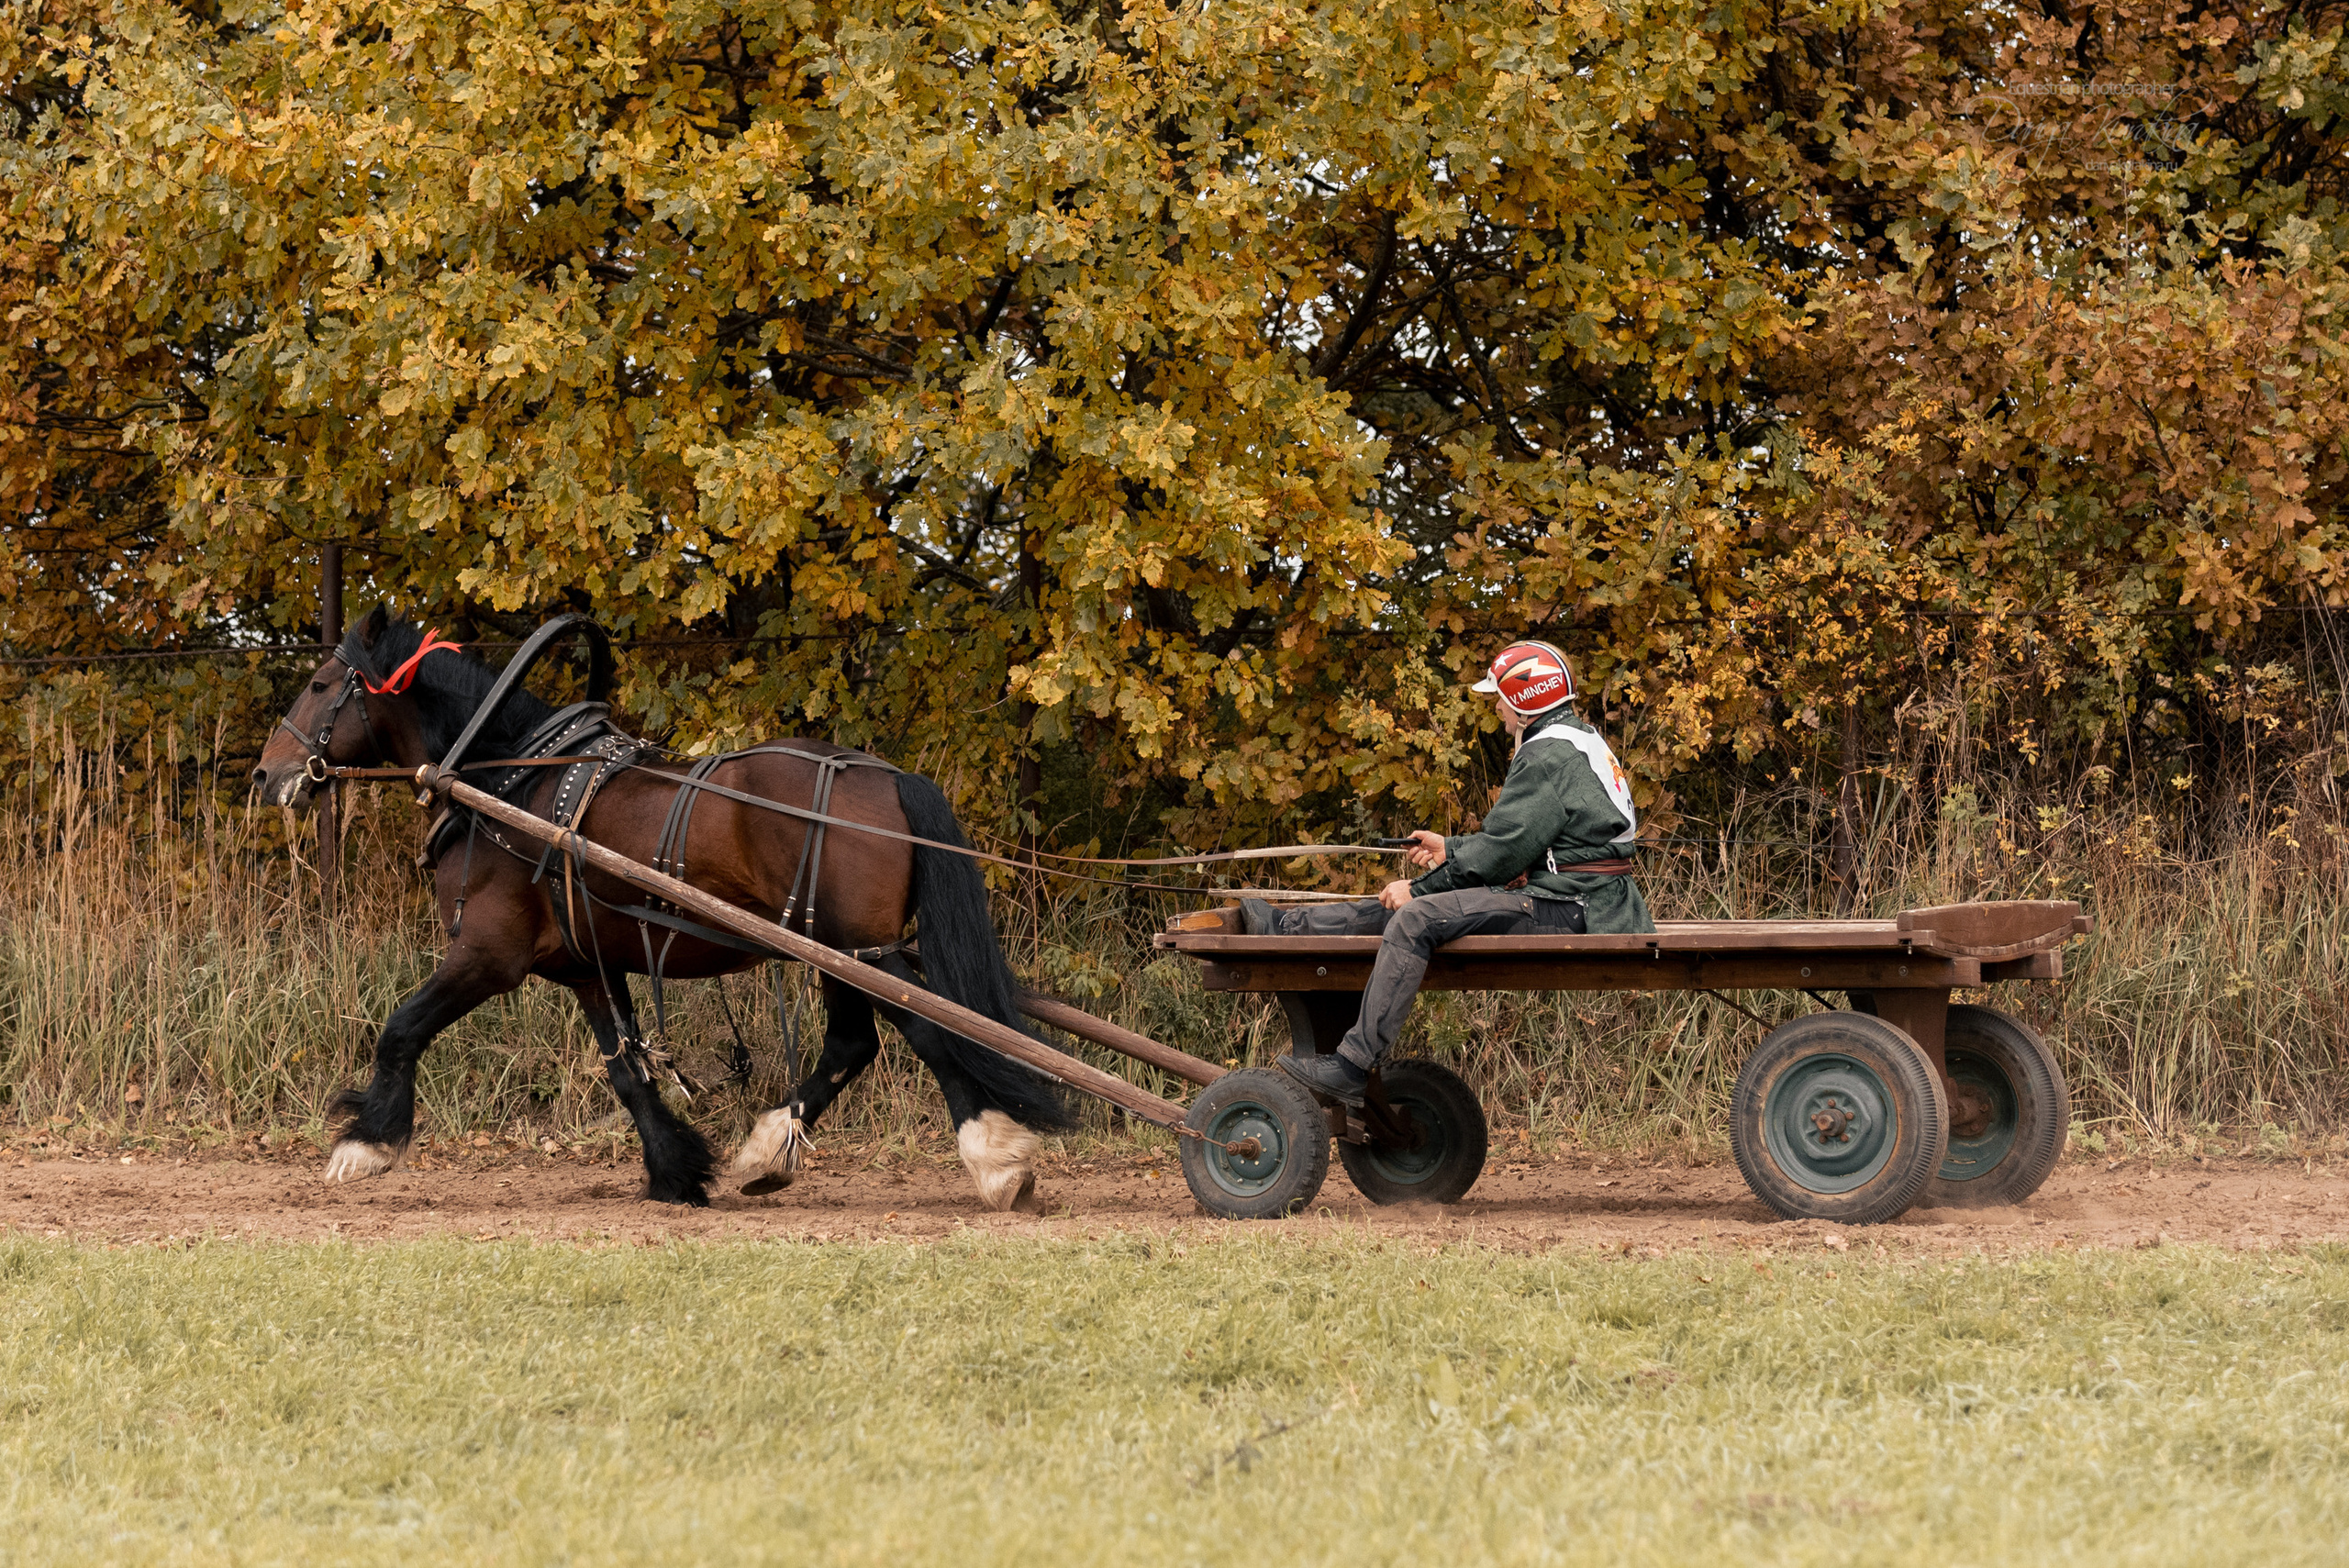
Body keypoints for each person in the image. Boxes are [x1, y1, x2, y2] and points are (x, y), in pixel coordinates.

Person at [1246, 639, 1655, 1106]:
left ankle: (1352, 1067)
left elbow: (1498, 857)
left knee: (1416, 917)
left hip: (1576, 905)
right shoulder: (1577, 739)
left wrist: (1420, 888)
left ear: (1524, 703)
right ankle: (1287, 926)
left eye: (1501, 698)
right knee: (1416, 909)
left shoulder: (1544, 757)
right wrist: (1450, 848)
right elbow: (1524, 839)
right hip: (1585, 895)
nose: (1497, 708)